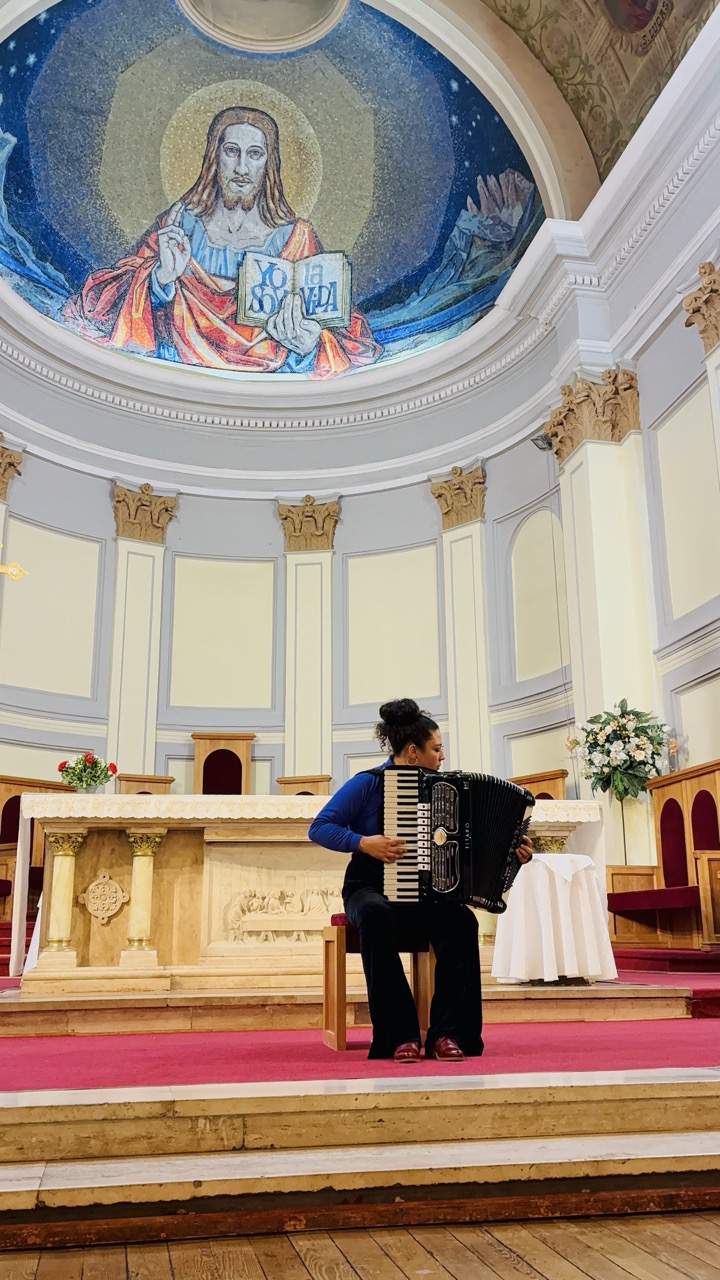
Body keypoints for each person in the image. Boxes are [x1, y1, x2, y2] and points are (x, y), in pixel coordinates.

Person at [63, 106, 381, 378]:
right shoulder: (177, 224)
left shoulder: (297, 239)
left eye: (254, 154)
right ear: (214, 157)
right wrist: (160, 278)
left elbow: (343, 335)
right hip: (174, 373)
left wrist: (308, 347)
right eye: (231, 151)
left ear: (269, 163)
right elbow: (102, 306)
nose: (242, 168)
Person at [308, 699, 533, 1062]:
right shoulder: (368, 783)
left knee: (462, 922)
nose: (442, 756)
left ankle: (447, 1033)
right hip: (369, 885)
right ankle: (399, 1035)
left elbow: (469, 849)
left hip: (426, 893)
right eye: (436, 749)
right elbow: (319, 827)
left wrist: (513, 853)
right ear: (413, 752)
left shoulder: (453, 789)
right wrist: (363, 843)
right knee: (376, 914)